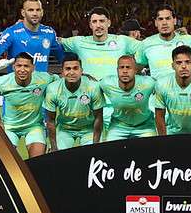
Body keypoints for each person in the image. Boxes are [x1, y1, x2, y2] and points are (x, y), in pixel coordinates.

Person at [59, 7, 140, 135]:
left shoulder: (122, 41)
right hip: (90, 106)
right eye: (95, 21)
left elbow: (149, 45)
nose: (98, 25)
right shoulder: (79, 42)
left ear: (109, 22)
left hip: (116, 105)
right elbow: (54, 40)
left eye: (102, 21)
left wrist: (179, 37)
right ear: (90, 25)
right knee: (94, 148)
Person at [0, 52, 59, 157]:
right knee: (5, 160)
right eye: (19, 66)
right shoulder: (2, 82)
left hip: (34, 126)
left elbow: (62, 79)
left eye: (26, 66)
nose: (22, 69)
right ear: (13, 67)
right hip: (10, 127)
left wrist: (82, 75)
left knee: (37, 160)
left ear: (33, 68)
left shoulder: (44, 79)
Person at [0, 0, 63, 72]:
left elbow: (62, 58)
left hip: (41, 85)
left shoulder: (49, 33)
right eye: (30, 10)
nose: (35, 13)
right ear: (23, 13)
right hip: (17, 86)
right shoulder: (11, 33)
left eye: (38, 10)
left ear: (42, 12)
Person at [43, 53, 104, 150]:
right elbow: (50, 121)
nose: (71, 72)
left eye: (75, 68)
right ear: (62, 72)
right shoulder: (53, 89)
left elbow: (99, 118)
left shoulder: (93, 87)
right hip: (65, 129)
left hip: (88, 129)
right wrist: (54, 148)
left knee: (92, 157)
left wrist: (95, 146)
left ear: (81, 71)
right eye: (68, 69)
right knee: (58, 158)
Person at [135, 5, 191, 82]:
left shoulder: (190, 40)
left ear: (174, 20)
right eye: (160, 19)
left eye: (168, 18)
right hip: (158, 92)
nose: (164, 23)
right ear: (156, 22)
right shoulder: (146, 44)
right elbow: (136, 70)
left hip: (186, 91)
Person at [98, 55, 157, 141]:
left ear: (135, 71)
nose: (125, 71)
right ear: (117, 70)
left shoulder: (149, 83)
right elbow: (91, 86)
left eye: (128, 67)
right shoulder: (106, 83)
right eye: (121, 67)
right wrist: (82, 75)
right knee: (110, 151)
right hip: (118, 126)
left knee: (153, 150)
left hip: (145, 126)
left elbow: (163, 86)